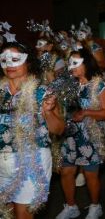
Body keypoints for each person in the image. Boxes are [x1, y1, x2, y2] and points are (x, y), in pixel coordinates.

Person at [0, 42, 65, 219]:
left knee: (23, 216)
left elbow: (59, 129)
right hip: (1, 161)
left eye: (15, 59)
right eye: (4, 60)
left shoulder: (42, 92)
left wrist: (48, 112)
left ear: (27, 62)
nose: (9, 64)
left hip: (31, 162)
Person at [56, 48, 105, 219]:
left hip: (90, 137)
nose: (71, 67)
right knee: (66, 172)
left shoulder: (99, 86)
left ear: (86, 64)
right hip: (70, 136)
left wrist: (87, 112)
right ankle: (71, 206)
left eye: (75, 63)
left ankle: (95, 206)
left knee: (90, 174)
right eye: (70, 63)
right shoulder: (68, 87)